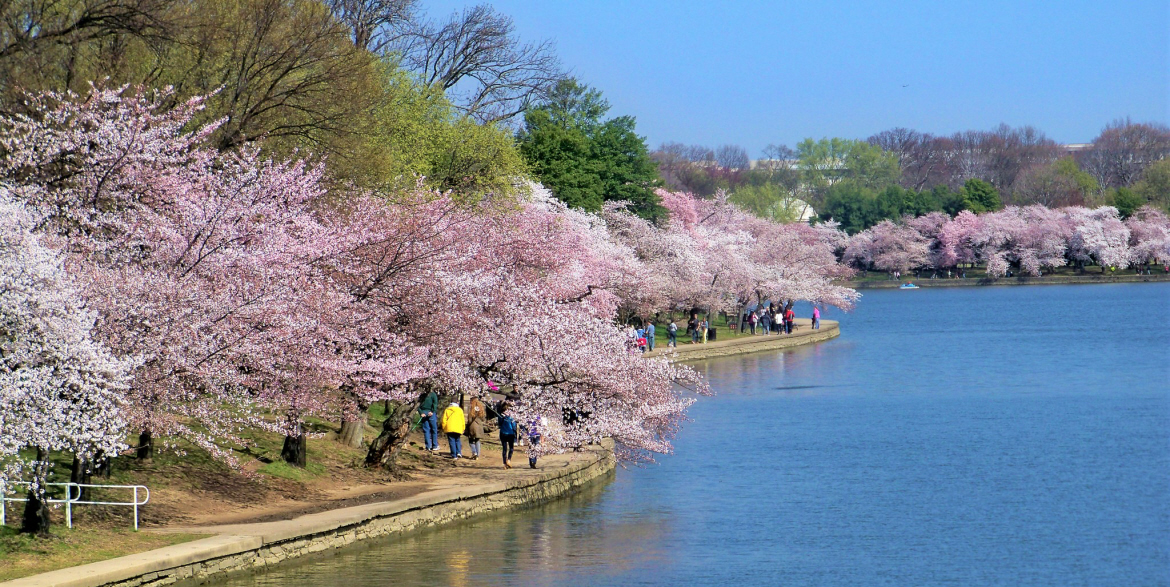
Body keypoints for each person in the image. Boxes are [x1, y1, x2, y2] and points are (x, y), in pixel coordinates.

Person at [465, 395, 487, 460]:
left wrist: (467, 425)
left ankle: (474, 452)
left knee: (471, 440)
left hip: (472, 426)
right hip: (479, 426)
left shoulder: (472, 409)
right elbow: (483, 419)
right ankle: (478, 455)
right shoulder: (481, 409)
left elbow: (470, 420)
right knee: (477, 440)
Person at [496, 402, 518, 468]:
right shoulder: (511, 416)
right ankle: (509, 460)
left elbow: (499, 424)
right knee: (511, 448)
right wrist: (515, 434)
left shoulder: (500, 415)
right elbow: (514, 426)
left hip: (503, 433)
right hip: (510, 433)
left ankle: (504, 463)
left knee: (504, 448)